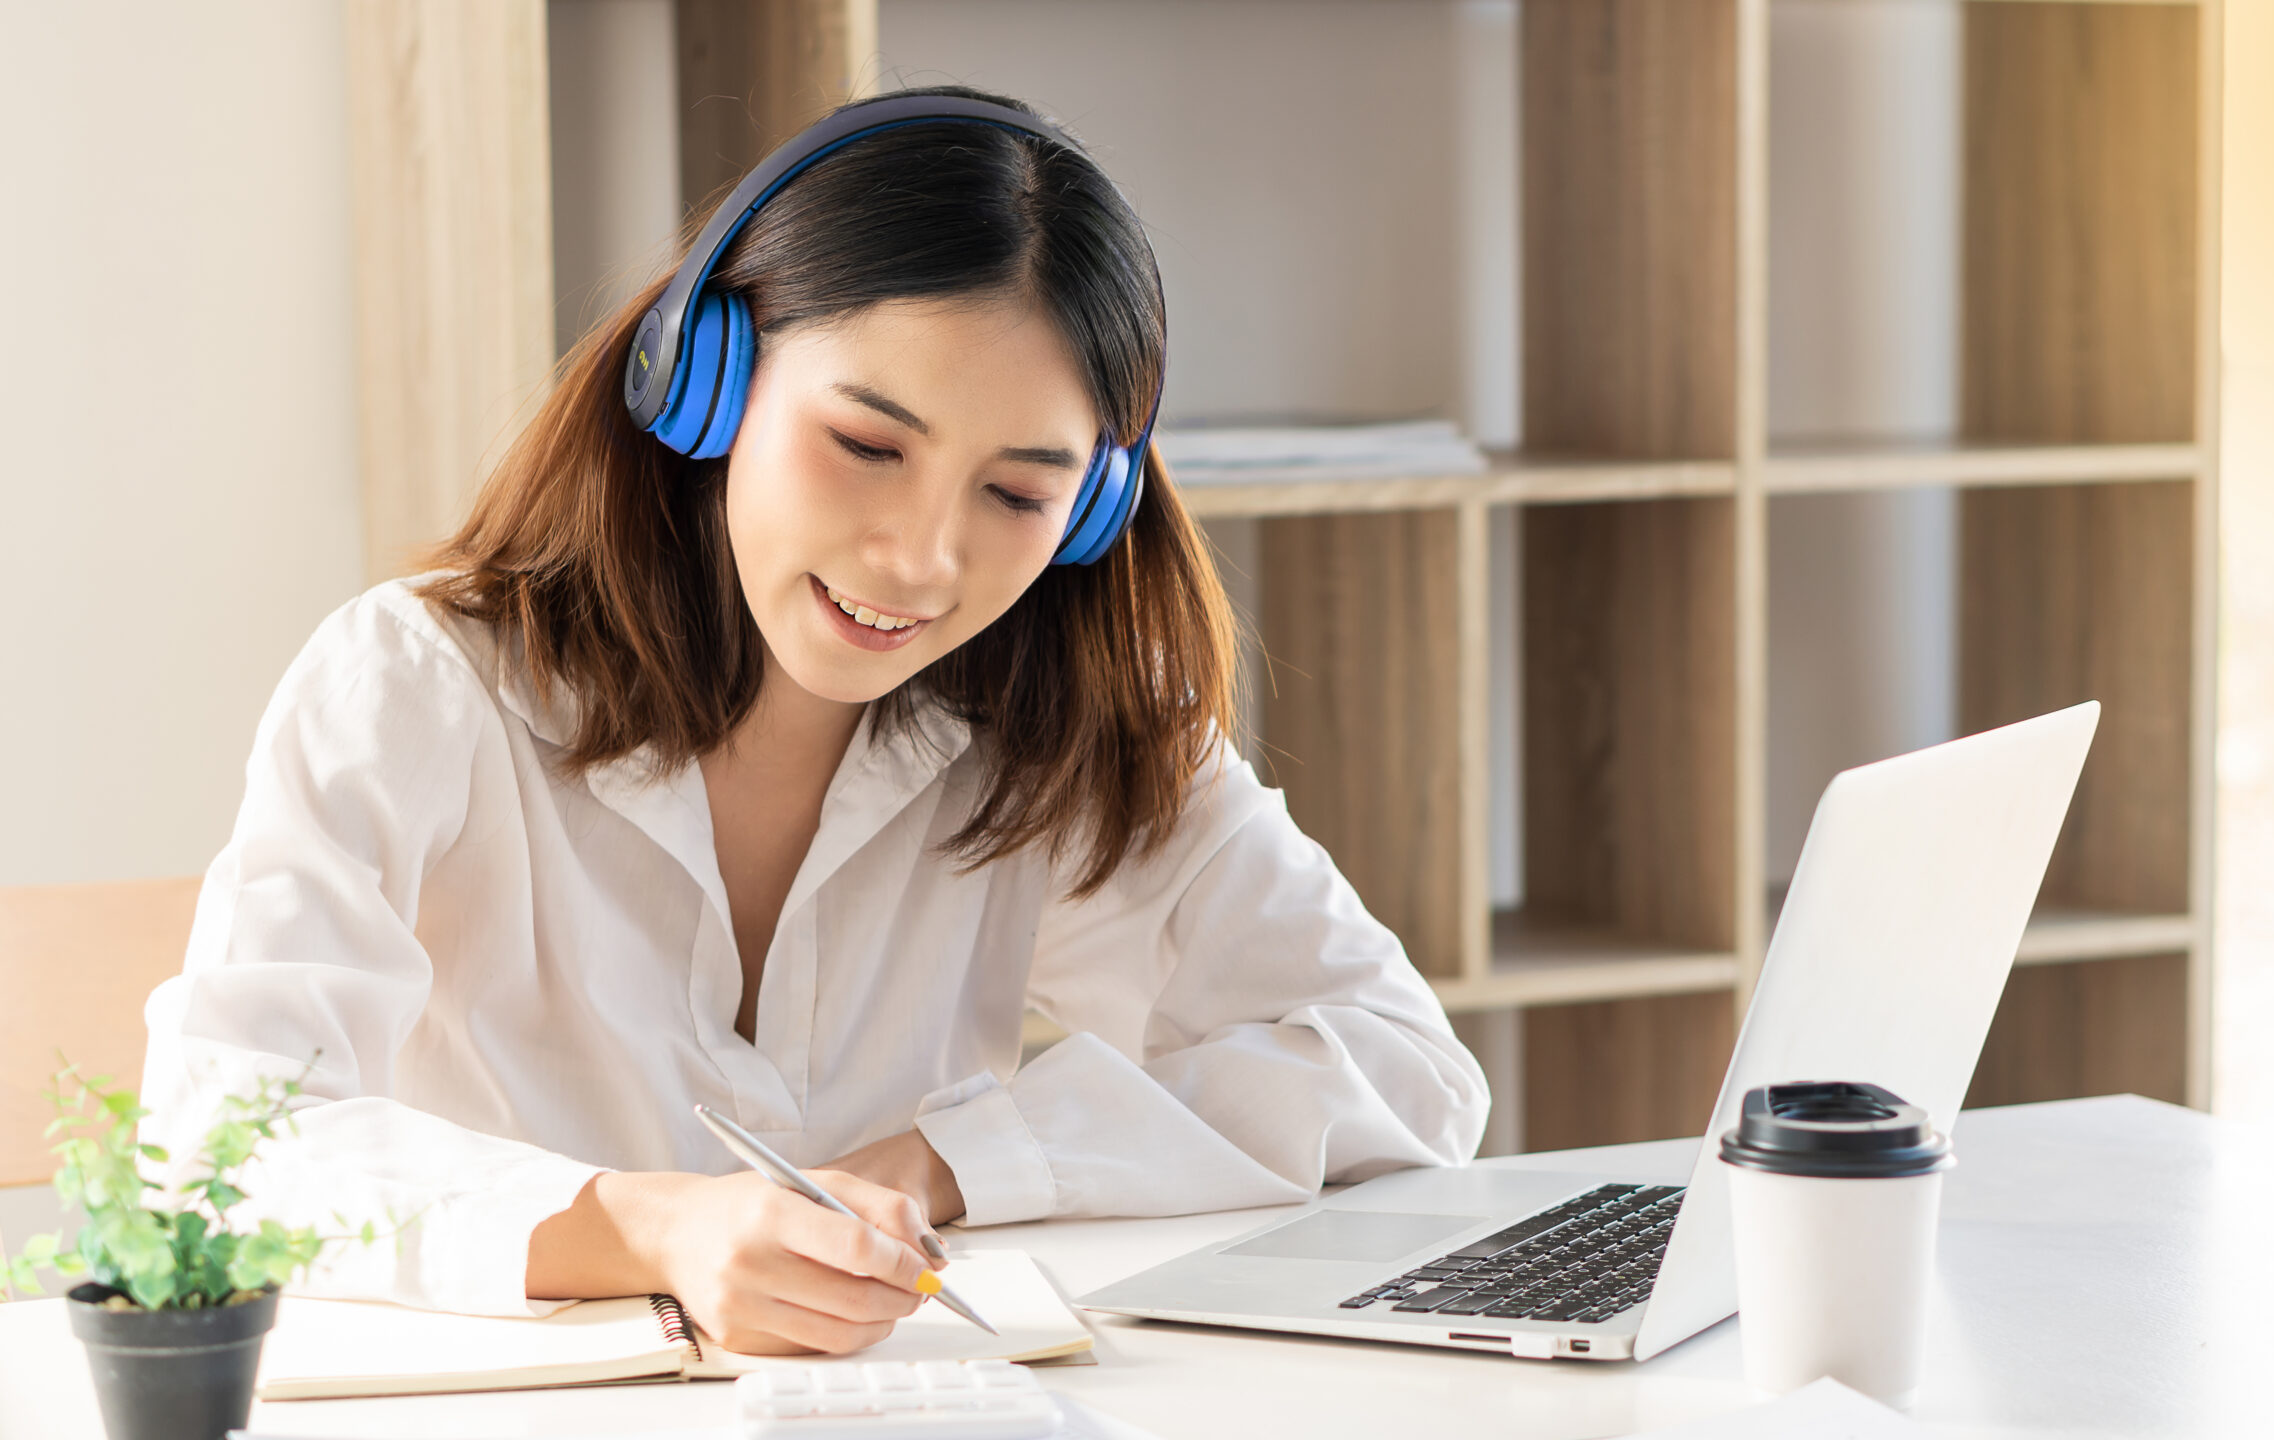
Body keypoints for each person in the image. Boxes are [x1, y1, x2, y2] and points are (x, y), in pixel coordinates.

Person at [139, 85, 1488, 1355]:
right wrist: (654, 1223)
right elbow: (220, 1149)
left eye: (1017, 496)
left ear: (1088, 514)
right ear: (707, 381)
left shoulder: (1058, 725)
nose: (920, 561)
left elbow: (1404, 1072)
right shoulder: (418, 688)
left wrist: (950, 1166)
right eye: (867, 445)